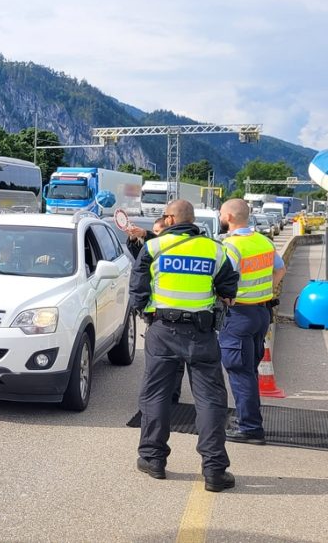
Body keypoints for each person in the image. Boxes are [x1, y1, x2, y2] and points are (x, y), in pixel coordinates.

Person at [130, 199, 238, 492]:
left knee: (156, 395)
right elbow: (229, 288)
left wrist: (146, 312)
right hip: (202, 334)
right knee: (211, 400)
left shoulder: (154, 248)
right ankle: (214, 470)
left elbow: (138, 287)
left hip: (162, 330)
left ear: (170, 218)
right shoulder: (215, 249)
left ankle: (153, 460)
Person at [217, 198, 286, 445]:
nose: (220, 216)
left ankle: (250, 427)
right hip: (261, 313)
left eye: (221, 213)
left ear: (230, 217)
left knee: (240, 371)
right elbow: (280, 269)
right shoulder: (264, 241)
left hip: (240, 316)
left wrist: (229, 299)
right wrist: (266, 291)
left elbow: (222, 282)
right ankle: (249, 419)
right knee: (249, 369)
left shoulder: (231, 246)